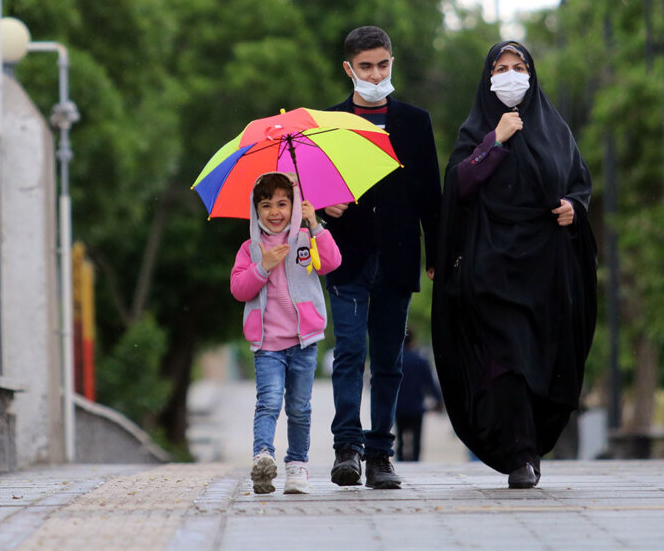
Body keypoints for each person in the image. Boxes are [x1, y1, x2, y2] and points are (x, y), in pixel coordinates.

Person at [431, 40, 597, 489]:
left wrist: (572, 208)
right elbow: (459, 184)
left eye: (518, 66)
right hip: (492, 269)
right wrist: (495, 140)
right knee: (507, 362)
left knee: (542, 360)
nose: (510, 75)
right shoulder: (477, 131)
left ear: (532, 73)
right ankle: (520, 454)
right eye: (500, 68)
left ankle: (533, 446)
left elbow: (579, 184)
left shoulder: (555, 130)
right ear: (488, 78)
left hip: (545, 271)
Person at [322, 26, 441, 489]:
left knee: (388, 359)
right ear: (349, 69)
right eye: (366, 66)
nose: (376, 74)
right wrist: (323, 201)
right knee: (349, 353)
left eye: (383, 64)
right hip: (346, 256)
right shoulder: (329, 122)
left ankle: (380, 455)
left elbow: (431, 194)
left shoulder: (415, 121)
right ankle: (346, 449)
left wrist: (436, 253)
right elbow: (307, 186)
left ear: (392, 62)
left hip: (398, 254)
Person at [230, 172, 341, 495]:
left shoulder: (306, 240)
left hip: (304, 341)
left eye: (282, 203)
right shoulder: (250, 249)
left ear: (294, 206)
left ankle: (297, 466)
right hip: (267, 344)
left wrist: (315, 225)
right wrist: (262, 266)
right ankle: (263, 457)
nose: (275, 212)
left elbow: (331, 263)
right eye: (266, 205)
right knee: (267, 402)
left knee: (299, 407)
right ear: (256, 210)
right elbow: (239, 289)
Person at [395, 330, 442, 462]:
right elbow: (429, 383)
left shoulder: (396, 361)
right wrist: (438, 401)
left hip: (399, 406)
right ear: (413, 341)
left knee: (400, 438)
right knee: (416, 440)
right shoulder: (420, 360)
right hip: (416, 406)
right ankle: (415, 461)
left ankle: (400, 462)